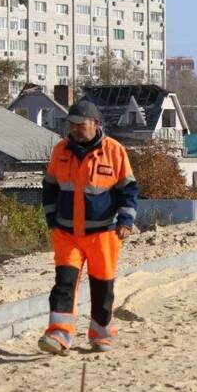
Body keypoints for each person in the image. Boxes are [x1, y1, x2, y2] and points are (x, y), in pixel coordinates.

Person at [39, 99, 139, 355]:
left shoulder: (114, 151)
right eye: (70, 125)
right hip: (67, 233)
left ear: (95, 123)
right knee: (64, 283)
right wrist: (52, 221)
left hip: (103, 234)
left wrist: (126, 221)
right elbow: (49, 188)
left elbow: (128, 190)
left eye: (79, 125)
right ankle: (59, 335)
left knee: (102, 287)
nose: (74, 129)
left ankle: (101, 335)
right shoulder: (60, 150)